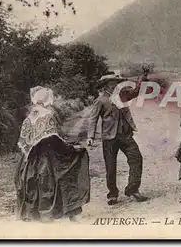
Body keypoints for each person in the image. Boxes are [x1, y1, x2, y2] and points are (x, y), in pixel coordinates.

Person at [14, 86, 90, 222]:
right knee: (66, 173)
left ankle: (37, 214)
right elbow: (54, 141)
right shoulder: (48, 115)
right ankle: (68, 212)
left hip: (31, 159)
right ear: (47, 100)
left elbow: (24, 142)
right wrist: (72, 149)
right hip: (47, 157)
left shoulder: (29, 117)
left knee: (35, 182)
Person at [86, 68, 150, 205]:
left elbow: (137, 91)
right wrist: (90, 136)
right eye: (112, 83)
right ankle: (112, 194)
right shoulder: (100, 100)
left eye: (116, 82)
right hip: (109, 137)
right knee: (111, 166)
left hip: (125, 135)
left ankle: (132, 190)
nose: (115, 85)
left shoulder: (124, 95)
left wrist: (144, 77)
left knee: (136, 158)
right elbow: (93, 119)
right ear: (105, 85)